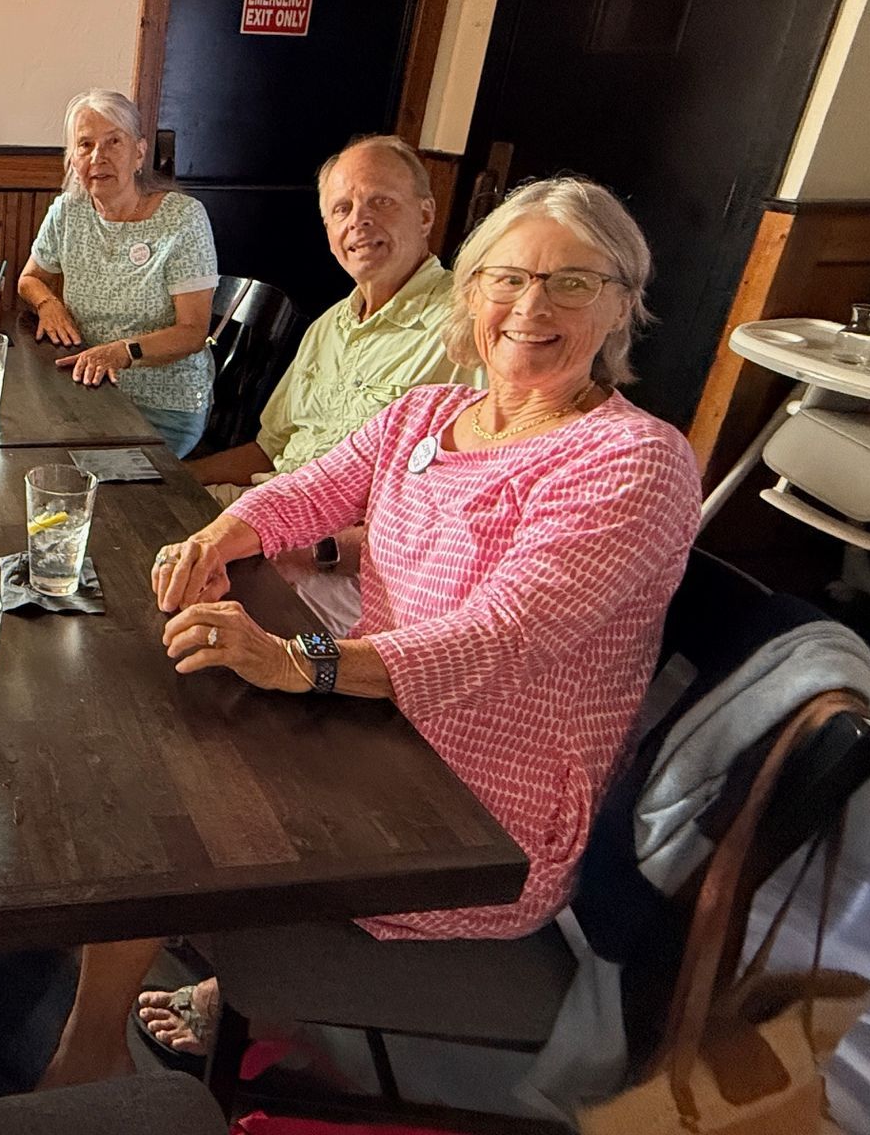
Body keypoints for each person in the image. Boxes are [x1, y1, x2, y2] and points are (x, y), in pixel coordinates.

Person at [41, 177, 702, 1085]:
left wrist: (294, 660)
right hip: (377, 734)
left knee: (164, 798)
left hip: (472, 815)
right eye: (508, 278)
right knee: (150, 723)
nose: (531, 307)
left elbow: (496, 637)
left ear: (622, 305)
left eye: (573, 283)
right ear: (471, 292)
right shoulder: (430, 414)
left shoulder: (634, 460)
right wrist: (216, 537)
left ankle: (89, 1056)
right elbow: (305, 490)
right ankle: (176, 974)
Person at [189, 135, 473, 504]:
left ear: (425, 215)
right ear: (329, 233)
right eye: (342, 209)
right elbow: (269, 451)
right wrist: (176, 476)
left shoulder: (467, 326)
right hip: (267, 501)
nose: (359, 220)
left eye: (381, 201)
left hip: (345, 533)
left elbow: (465, 488)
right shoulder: (328, 326)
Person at [16, 90, 218, 457]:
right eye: (85, 145)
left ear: (139, 153)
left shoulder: (183, 218)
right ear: (72, 159)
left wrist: (122, 352)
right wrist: (47, 304)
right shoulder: (69, 211)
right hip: (88, 392)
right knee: (19, 450)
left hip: (164, 406)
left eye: (114, 142)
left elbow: (192, 331)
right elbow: (30, 279)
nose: (99, 157)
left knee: (82, 474)